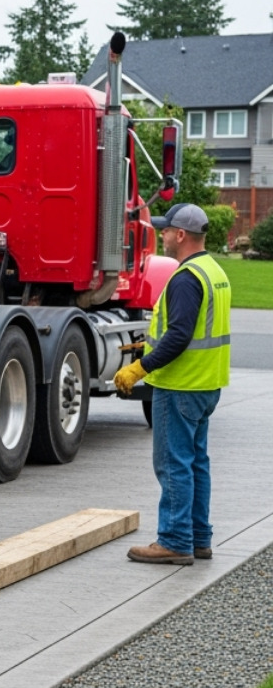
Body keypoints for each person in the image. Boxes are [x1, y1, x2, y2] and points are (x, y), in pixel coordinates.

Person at [113, 203, 231, 564]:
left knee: (173, 464)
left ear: (181, 235)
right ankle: (198, 538)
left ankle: (175, 541)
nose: (161, 235)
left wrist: (140, 367)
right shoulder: (214, 271)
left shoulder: (185, 278)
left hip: (180, 386)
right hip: (206, 384)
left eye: (165, 230)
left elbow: (179, 334)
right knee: (195, 463)